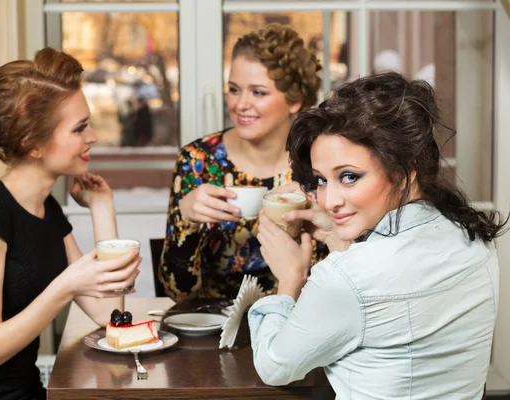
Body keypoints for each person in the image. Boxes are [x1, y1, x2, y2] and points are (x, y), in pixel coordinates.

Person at [251, 72, 507, 399]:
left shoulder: (345, 280)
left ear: (404, 169)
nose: (328, 201)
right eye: (321, 180)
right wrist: (337, 238)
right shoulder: (474, 238)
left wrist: (290, 278)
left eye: (348, 176)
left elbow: (275, 366)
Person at [0, 48, 141, 400]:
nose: (91, 137)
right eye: (79, 128)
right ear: (33, 144)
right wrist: (65, 286)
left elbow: (111, 317)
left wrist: (102, 208)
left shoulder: (46, 209)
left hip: (28, 391)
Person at [158, 23, 327, 301]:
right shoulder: (198, 160)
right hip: (213, 328)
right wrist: (185, 218)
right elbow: (178, 292)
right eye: (234, 89)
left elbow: (350, 275)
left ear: (294, 101)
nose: (240, 104)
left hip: (303, 324)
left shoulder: (320, 164)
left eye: (258, 92)